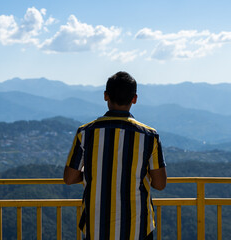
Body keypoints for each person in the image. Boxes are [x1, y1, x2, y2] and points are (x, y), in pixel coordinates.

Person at [64, 71, 167, 240]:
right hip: (138, 228)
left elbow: (69, 178)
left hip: (96, 228)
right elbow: (160, 184)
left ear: (106, 96)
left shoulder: (86, 133)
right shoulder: (149, 136)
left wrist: (98, 173)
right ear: (134, 98)